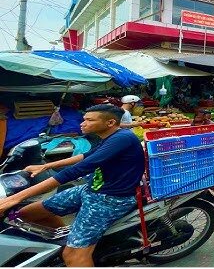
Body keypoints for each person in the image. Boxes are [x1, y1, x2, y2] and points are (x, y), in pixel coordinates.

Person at [0, 104, 145, 267]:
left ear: (110, 123)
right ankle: (64, 241)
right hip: (90, 189)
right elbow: (86, 156)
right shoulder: (109, 136)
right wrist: (45, 166)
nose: (83, 123)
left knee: (72, 256)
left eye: (89, 120)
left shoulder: (123, 138)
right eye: (84, 119)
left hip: (110, 200)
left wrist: (14, 198)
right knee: (22, 214)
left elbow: (76, 170)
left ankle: (77, 249)